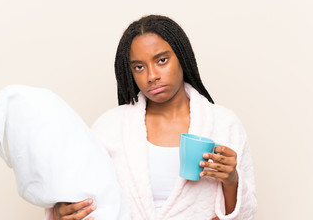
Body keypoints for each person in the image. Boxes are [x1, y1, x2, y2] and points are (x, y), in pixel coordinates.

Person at [46, 15, 257, 220]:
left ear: (182, 58)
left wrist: (232, 181)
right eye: (139, 67)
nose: (152, 76)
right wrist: (60, 213)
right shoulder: (109, 128)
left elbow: (244, 214)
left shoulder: (223, 124)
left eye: (162, 60)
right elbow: (82, 194)